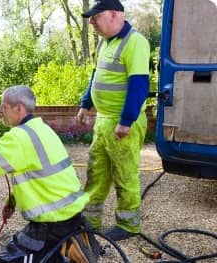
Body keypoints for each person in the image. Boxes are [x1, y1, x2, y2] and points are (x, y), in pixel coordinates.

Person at [0, 85, 98, 262]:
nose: (0, 110)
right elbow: (38, 176)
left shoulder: (19, 137)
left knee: (3, 260)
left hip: (52, 227)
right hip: (73, 219)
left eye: (3, 106)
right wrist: (12, 201)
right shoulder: (42, 130)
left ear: (18, 108)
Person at [77, 0, 150, 241]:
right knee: (96, 172)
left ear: (115, 15)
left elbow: (139, 86)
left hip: (122, 123)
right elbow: (96, 76)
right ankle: (90, 220)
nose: (92, 22)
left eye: (96, 16)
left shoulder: (136, 42)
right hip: (104, 120)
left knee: (124, 174)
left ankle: (128, 226)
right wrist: (86, 104)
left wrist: (126, 121)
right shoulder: (104, 43)